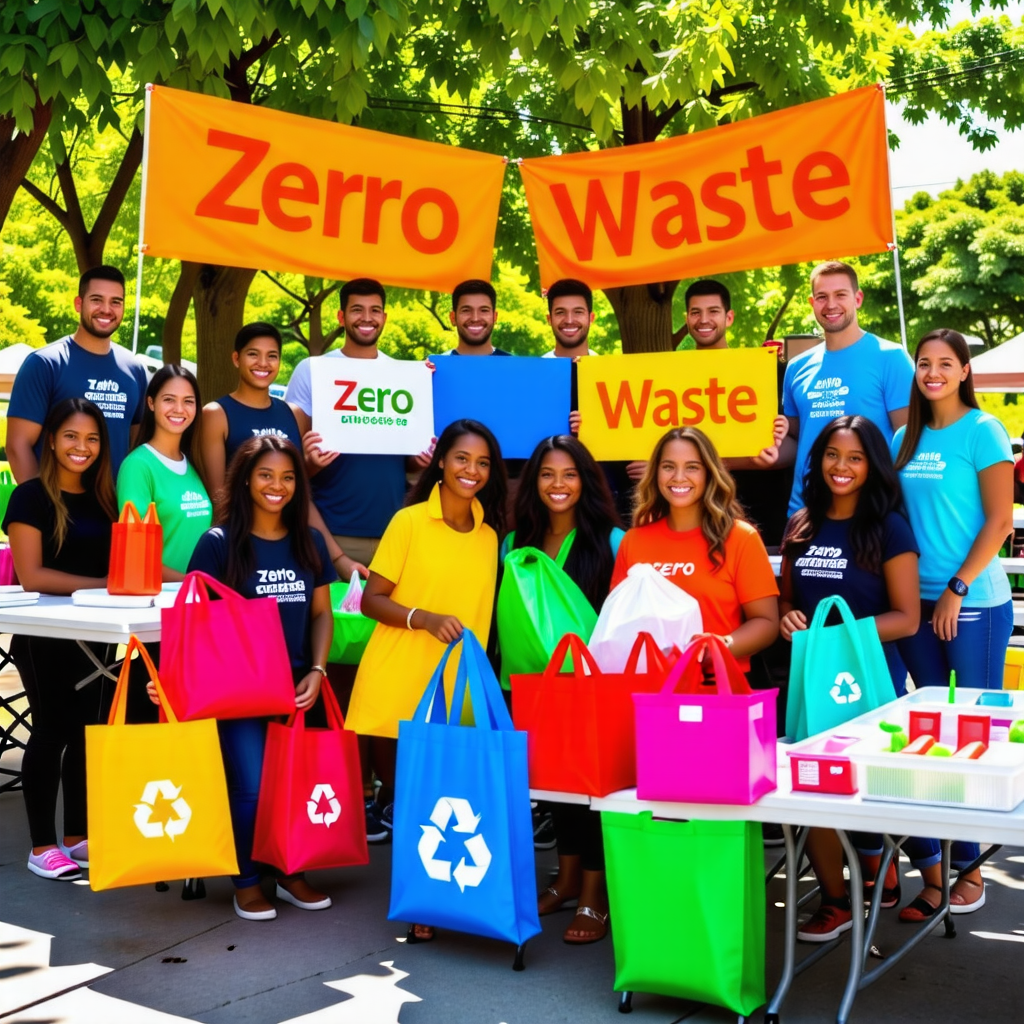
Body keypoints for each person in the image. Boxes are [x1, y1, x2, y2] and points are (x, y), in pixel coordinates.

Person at [346, 419, 507, 942]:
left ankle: (438, 895)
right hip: (401, 676)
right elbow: (372, 601)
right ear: (440, 461)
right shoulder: (408, 521)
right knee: (416, 799)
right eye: (462, 458)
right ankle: (423, 902)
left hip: (459, 689)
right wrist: (424, 618)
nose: (471, 470)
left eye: (482, 463)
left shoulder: (490, 535)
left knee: (446, 797)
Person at [287, 279, 425, 840]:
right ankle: (352, 794)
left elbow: (409, 469)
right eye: (357, 310)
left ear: (385, 317)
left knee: (390, 670)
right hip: (332, 538)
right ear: (342, 316)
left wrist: (421, 461)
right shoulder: (313, 371)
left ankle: (388, 793)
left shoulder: (406, 377)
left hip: (394, 542)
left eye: (376, 310)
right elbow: (294, 471)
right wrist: (311, 463)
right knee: (341, 671)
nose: (367, 318)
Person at [779, 415, 920, 941]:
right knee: (810, 787)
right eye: (832, 455)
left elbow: (907, 618)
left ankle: (894, 873)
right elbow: (788, 601)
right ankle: (835, 901)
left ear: (871, 466)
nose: (842, 467)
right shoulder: (800, 524)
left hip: (870, 676)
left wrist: (840, 634)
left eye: (855, 458)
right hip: (810, 675)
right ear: (817, 460)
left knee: (871, 785)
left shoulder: (889, 527)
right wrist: (789, 617)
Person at [184, 436, 337, 921]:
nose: (277, 486)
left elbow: (322, 614)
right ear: (246, 479)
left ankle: (290, 873)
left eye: (288, 477)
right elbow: (194, 624)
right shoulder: (217, 543)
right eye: (266, 475)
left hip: (297, 686)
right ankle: (247, 881)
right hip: (240, 691)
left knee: (293, 785)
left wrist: (317, 670)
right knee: (251, 787)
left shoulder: (310, 541)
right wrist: (174, 680)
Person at [893, 328, 1015, 920]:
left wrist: (956, 589)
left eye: (946, 363)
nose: (933, 372)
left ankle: (970, 870)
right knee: (932, 733)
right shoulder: (903, 437)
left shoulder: (983, 430)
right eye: (924, 363)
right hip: (914, 607)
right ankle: (944, 867)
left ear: (965, 371)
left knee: (971, 733)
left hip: (973, 603)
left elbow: (1000, 522)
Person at [501, 435, 623, 944]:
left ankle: (596, 894)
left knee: (591, 789)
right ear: (533, 482)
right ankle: (567, 878)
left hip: (592, 690)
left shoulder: (611, 541)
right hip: (532, 687)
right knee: (554, 786)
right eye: (548, 474)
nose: (558, 484)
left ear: (586, 481)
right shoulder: (514, 543)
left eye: (570, 474)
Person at [2, 398, 117, 880]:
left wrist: (190, 579)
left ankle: (75, 837)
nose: (81, 447)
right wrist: (106, 586)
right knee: (51, 731)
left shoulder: (106, 499)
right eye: (71, 436)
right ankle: (42, 846)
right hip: (44, 636)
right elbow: (32, 575)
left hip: (97, 633)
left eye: (91, 438)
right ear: (50, 440)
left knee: (87, 732)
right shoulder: (29, 498)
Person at [611, 426, 780, 671]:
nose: (679, 477)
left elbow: (766, 622)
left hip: (719, 686)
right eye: (668, 466)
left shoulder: (741, 538)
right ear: (655, 473)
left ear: (709, 473)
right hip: (649, 687)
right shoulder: (633, 541)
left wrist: (721, 646)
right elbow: (618, 623)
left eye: (692, 467)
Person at [202, 322, 361, 581]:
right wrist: (240, 554)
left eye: (272, 356)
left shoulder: (294, 414)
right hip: (244, 549)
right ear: (236, 359)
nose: (263, 363)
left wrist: (338, 558)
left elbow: (300, 495)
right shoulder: (216, 414)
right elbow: (219, 497)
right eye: (253, 354)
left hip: (291, 546)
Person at [783, 260, 915, 516]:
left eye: (840, 295)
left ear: (858, 298)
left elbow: (909, 442)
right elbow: (796, 440)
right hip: (806, 511)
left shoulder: (891, 358)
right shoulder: (796, 367)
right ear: (812, 303)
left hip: (872, 511)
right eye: (822, 297)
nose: (831, 304)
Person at [7, 265, 148, 481]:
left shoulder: (135, 370)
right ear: (78, 304)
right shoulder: (46, 364)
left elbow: (138, 447)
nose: (106, 309)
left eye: (116, 302)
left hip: (115, 501)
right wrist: (40, 500)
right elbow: (18, 446)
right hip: (56, 500)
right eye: (97, 300)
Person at [682, 279, 792, 548]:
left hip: (759, 515)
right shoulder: (668, 376)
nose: (703, 320)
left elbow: (790, 447)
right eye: (696, 312)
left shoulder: (765, 371)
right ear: (686, 319)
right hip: (690, 517)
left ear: (729, 317)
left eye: (713, 311)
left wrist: (766, 458)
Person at [116, 365, 212, 581]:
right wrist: (193, 582)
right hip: (160, 597)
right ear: (151, 403)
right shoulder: (137, 466)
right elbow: (137, 555)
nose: (179, 409)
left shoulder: (194, 462)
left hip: (195, 595)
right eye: (169, 399)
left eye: (188, 401)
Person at [439, 280, 512, 356]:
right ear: (453, 318)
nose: (475, 318)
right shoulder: (436, 363)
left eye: (484, 310)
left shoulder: (514, 363)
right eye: (466, 310)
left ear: (495, 317)